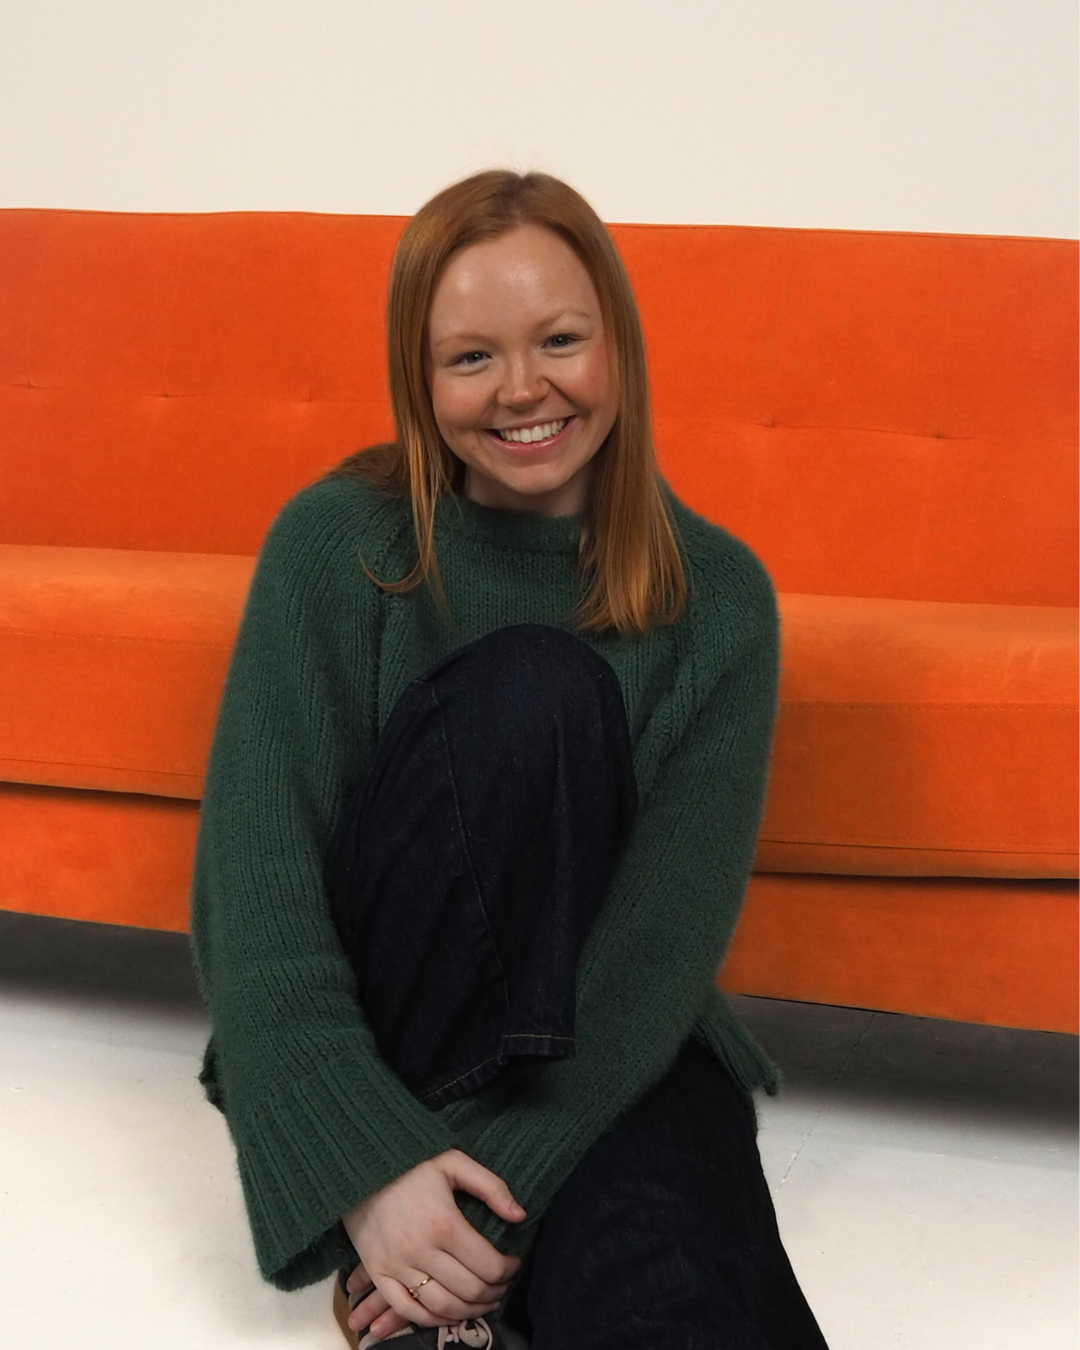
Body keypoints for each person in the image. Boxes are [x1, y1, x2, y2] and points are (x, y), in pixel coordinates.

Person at [191, 169, 829, 1350]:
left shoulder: (720, 598)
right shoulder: (339, 547)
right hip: (392, 1020)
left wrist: (493, 1202)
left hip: (607, 1038)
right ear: (419, 382)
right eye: (471, 357)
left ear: (619, 349)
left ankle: (444, 1307)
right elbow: (256, 895)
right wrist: (370, 1175)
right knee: (538, 690)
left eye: (560, 340)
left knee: (675, 1289)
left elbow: (657, 949)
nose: (524, 389)